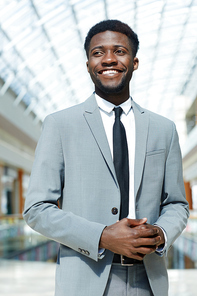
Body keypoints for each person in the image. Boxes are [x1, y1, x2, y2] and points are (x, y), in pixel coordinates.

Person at [23, 20, 189, 296]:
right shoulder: (60, 125)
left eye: (119, 51)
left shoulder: (164, 129)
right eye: (98, 53)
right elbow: (37, 209)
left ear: (134, 62)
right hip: (85, 279)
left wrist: (160, 233)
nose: (109, 59)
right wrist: (102, 236)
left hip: (148, 280)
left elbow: (176, 203)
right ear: (88, 64)